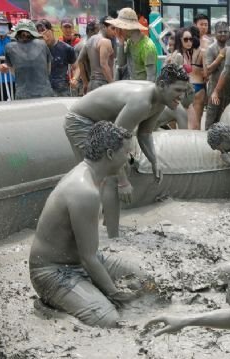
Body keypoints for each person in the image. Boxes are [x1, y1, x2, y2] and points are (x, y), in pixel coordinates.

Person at [30, 121, 148, 328]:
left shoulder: (95, 175)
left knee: (146, 281)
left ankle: (86, 295)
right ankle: (53, 306)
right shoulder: (84, 191)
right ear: (110, 154)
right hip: (52, 272)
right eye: (127, 153)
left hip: (79, 261)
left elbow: (89, 255)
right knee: (109, 319)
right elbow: (88, 258)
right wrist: (115, 294)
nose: (130, 159)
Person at [64, 64, 188, 238]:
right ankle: (111, 238)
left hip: (102, 124)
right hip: (81, 121)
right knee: (110, 177)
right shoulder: (141, 102)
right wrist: (123, 182)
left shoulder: (159, 101)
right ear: (161, 85)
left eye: (184, 91)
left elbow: (144, 133)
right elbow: (115, 142)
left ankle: (109, 224)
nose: (181, 96)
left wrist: (154, 161)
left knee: (119, 170)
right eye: (177, 90)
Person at [4, 19, 54, 99]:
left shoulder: (9, 47)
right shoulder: (42, 44)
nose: (25, 35)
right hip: (43, 92)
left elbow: (12, 71)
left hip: (24, 93)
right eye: (23, 34)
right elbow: (48, 69)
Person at [112, 8, 158, 81]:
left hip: (142, 88)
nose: (118, 31)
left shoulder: (147, 47)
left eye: (120, 27)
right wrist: (121, 43)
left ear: (126, 28)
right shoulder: (130, 42)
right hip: (132, 86)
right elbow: (121, 64)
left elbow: (151, 77)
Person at [36, 19, 76, 97]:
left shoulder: (66, 48)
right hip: (42, 92)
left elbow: (77, 67)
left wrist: (75, 79)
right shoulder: (36, 49)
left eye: (45, 32)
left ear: (52, 30)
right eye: (39, 34)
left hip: (62, 92)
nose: (43, 36)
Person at [80, 16, 116, 93]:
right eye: (112, 28)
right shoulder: (105, 41)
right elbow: (104, 65)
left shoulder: (90, 40)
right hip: (103, 84)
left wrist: (85, 82)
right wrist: (112, 84)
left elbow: (80, 61)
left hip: (92, 83)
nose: (115, 32)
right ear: (103, 27)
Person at [204, 21, 229, 129]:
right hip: (214, 89)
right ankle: (205, 140)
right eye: (220, 32)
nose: (223, 34)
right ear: (215, 33)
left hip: (228, 89)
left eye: (225, 31)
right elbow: (208, 70)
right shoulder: (211, 49)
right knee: (211, 117)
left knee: (225, 117)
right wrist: (220, 56)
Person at [0, 13, 14, 102]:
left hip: (12, 80)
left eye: (3, 25)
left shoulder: (13, 40)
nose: (1, 27)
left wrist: (9, 65)